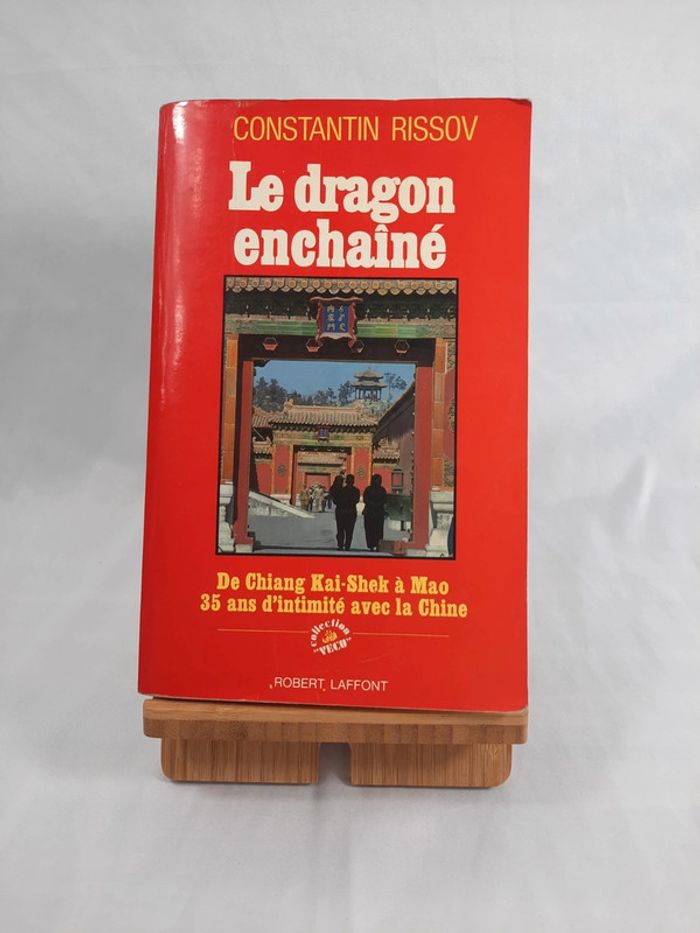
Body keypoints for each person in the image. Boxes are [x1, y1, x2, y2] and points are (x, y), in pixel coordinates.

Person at [334, 474, 360, 550]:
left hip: (345, 512)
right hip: (347, 512)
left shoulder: (343, 490)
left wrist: (344, 503)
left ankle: (343, 545)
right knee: (345, 530)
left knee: (345, 530)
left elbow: (336, 501)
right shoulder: (354, 490)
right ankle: (344, 545)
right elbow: (335, 500)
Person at [362, 474, 388, 551]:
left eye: (378, 480)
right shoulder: (368, 489)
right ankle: (371, 545)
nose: (377, 482)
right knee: (369, 530)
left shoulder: (382, 490)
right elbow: (365, 499)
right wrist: (372, 504)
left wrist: (377, 504)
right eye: (376, 480)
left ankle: (378, 544)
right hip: (369, 512)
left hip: (378, 513)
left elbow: (385, 500)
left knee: (379, 530)